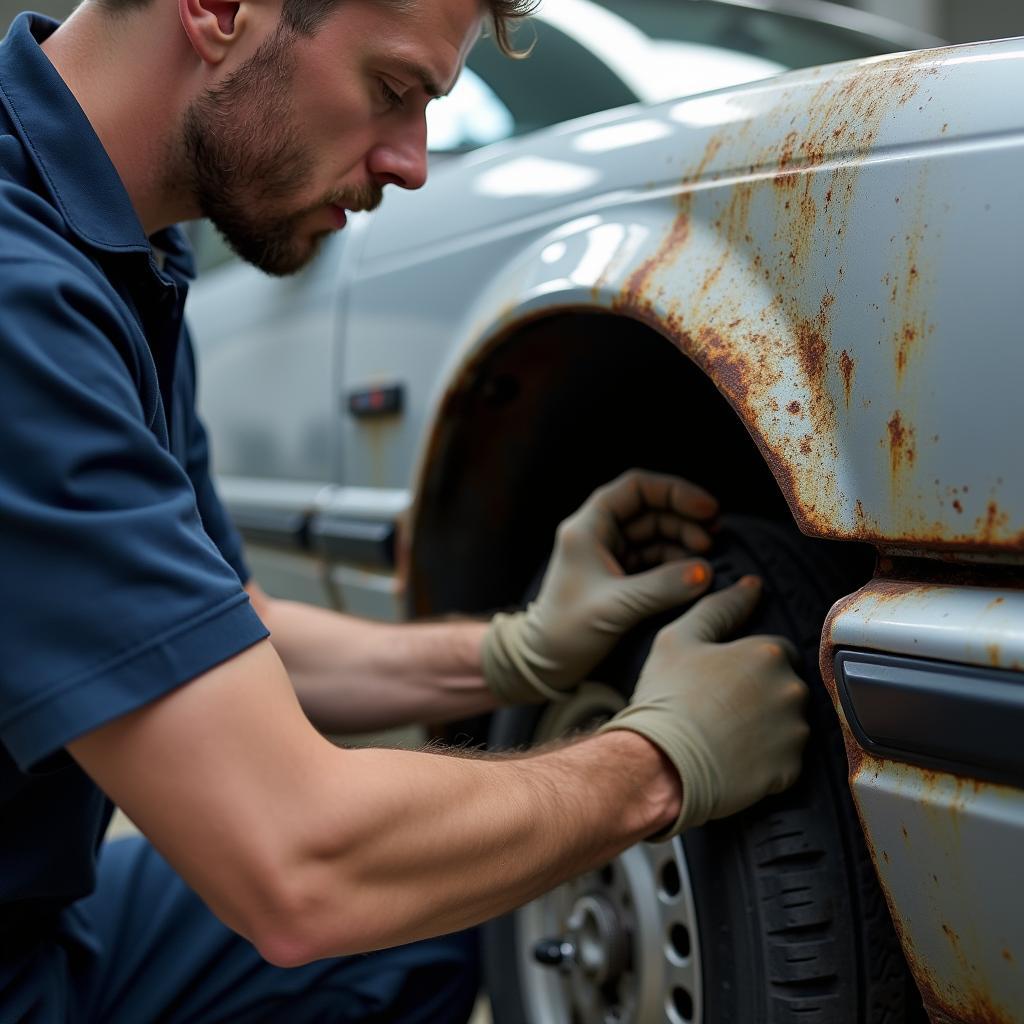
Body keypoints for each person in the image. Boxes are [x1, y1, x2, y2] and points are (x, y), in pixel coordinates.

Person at [0, 0, 811, 1018]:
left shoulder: (130, 262)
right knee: (372, 887)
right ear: (215, 10)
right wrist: (657, 765)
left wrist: (509, 652)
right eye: (391, 92)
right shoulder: (19, 300)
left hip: (39, 928)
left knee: (431, 917)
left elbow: (216, 637)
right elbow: (297, 864)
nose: (414, 163)